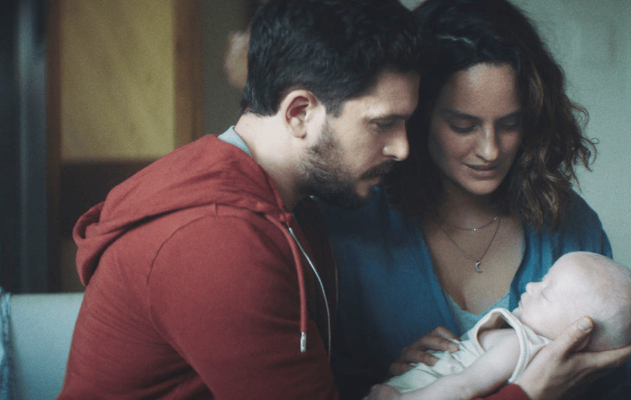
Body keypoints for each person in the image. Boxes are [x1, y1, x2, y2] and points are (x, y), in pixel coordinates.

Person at [58, 0, 428, 398]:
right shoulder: (215, 238)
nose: (401, 148)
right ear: (299, 113)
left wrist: (403, 378)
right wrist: (464, 381)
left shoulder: (290, 199)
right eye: (383, 124)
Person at [318, 0, 631, 399]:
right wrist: (401, 378)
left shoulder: (569, 225)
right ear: (418, 117)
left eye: (510, 124)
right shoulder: (354, 224)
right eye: (463, 125)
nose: (490, 150)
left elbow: (622, 383)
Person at [372, 252, 631, 400]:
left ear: (579, 334)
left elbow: (463, 387)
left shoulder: (517, 345)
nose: (531, 286)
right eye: (543, 278)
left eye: (546, 293)